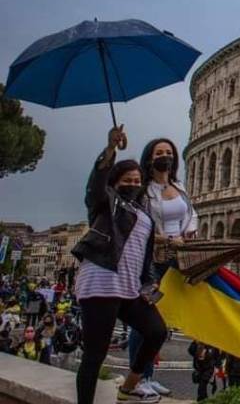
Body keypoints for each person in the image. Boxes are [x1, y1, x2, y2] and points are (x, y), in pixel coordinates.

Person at [71, 125, 167, 403]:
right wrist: (110, 149)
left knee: (156, 331)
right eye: (128, 180)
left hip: (129, 287)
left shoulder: (140, 210)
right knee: (95, 355)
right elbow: (96, 183)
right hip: (102, 283)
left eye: (138, 180)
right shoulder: (105, 202)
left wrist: (150, 280)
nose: (134, 185)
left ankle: (129, 386)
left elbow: (142, 249)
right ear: (116, 182)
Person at [127, 137, 198, 397]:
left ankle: (148, 376)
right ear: (150, 158)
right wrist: (169, 238)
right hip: (151, 261)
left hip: (175, 258)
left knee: (160, 320)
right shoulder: (144, 191)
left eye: (168, 152)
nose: (165, 156)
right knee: (143, 321)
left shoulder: (179, 187)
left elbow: (191, 215)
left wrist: (190, 231)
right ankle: (138, 379)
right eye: (159, 152)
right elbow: (139, 226)